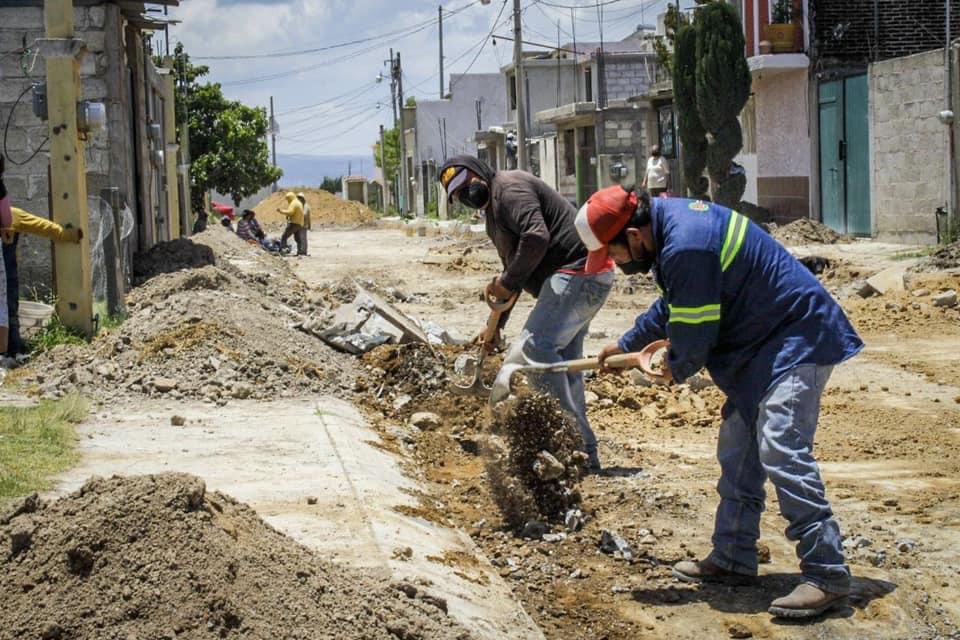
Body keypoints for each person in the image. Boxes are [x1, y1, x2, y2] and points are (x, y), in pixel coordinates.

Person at [575, 185, 863, 619]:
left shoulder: (686, 243)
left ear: (634, 235)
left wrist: (673, 365)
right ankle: (732, 559)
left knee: (781, 447)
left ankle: (827, 573)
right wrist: (627, 344)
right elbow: (675, 300)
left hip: (795, 339)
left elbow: (693, 333)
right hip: (762, 344)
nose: (615, 263)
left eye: (614, 253)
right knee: (738, 450)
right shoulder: (671, 230)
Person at [439, 154, 613, 471]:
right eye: (459, 195)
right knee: (563, 367)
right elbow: (516, 269)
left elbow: (536, 237)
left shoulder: (509, 188)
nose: (467, 196)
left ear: (480, 173)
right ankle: (584, 454)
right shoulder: (494, 212)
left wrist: (505, 282)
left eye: (468, 186)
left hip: (577, 275)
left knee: (535, 351)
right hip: (579, 280)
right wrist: (497, 324)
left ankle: (566, 443)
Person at [277, 191, 305, 256]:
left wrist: (281, 211)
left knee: (284, 236)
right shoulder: (298, 202)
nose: (288, 201)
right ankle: (300, 252)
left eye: (288, 199)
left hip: (294, 223)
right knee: (298, 239)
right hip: (300, 223)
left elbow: (290, 212)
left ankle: (283, 251)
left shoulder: (293, 203)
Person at [296, 192, 311, 256]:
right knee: (298, 238)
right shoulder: (300, 205)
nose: (298, 199)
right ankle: (299, 251)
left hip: (303, 225)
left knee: (303, 238)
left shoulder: (306, 206)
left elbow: (305, 215)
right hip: (298, 224)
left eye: (299, 198)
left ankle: (304, 252)